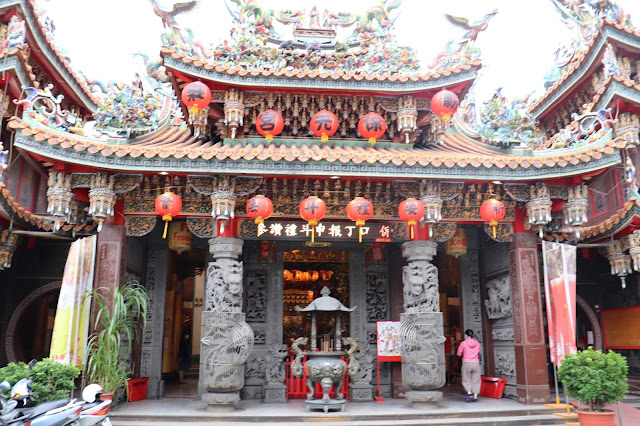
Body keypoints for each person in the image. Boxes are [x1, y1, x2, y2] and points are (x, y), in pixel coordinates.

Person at [457, 329, 481, 402]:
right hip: (476, 363)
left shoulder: (463, 343)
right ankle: (475, 397)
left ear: (466, 335)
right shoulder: (477, 343)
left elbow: (459, 353)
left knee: (466, 379)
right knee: (476, 380)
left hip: (466, 363)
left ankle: (469, 393)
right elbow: (478, 352)